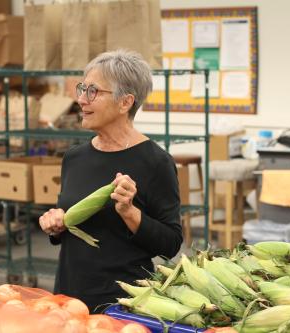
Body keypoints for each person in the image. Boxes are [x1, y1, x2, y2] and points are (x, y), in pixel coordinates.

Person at [38, 49, 183, 312]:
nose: (81, 99)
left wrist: (130, 212)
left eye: (93, 91)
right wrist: (55, 223)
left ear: (125, 102)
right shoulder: (74, 158)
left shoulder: (156, 162)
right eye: (82, 89)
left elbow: (171, 244)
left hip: (123, 305)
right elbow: (69, 220)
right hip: (69, 298)